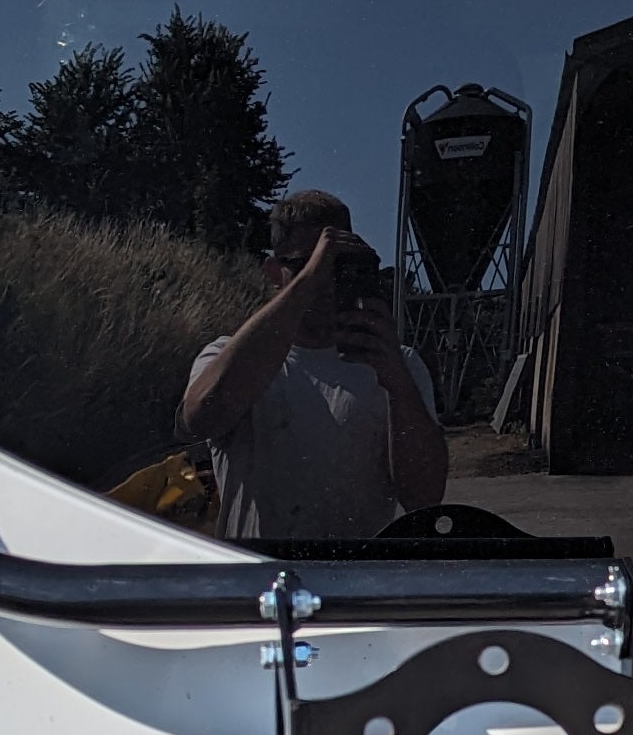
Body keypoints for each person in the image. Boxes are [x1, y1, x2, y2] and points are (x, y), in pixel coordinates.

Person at [179, 190, 449, 546]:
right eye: (307, 264)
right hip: (257, 581)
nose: (325, 281)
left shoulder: (396, 364)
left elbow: (424, 498)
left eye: (339, 266)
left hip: (351, 587)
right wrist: (308, 281)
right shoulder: (228, 354)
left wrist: (397, 383)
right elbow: (200, 418)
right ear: (274, 271)